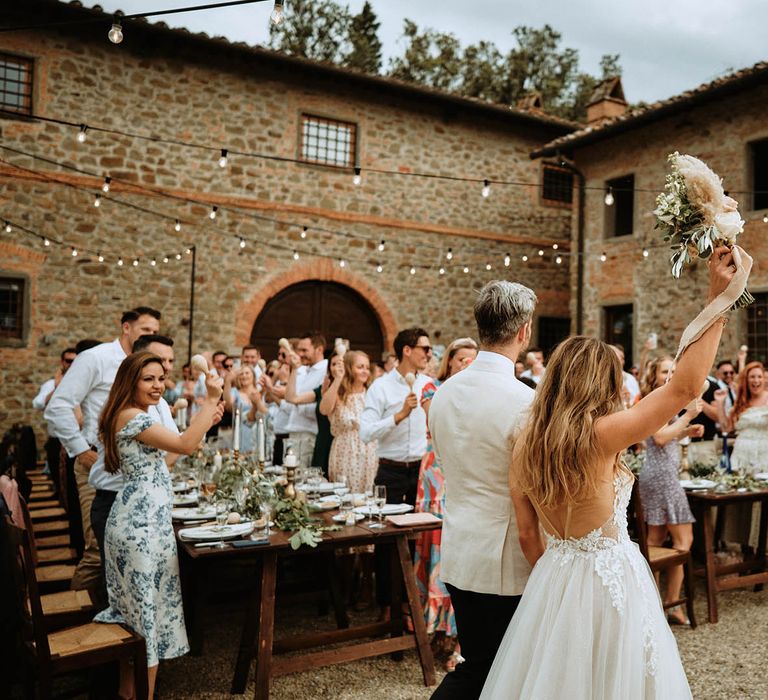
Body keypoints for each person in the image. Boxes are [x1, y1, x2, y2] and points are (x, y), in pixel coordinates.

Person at [479, 246, 737, 699]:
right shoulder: (602, 436)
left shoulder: (524, 443)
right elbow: (686, 387)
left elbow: (526, 536)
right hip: (608, 577)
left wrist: (561, 575)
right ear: (601, 383)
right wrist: (718, 298)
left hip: (552, 576)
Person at [428, 285, 535, 700]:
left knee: (482, 664)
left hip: (460, 549)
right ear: (524, 331)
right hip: (506, 560)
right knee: (492, 671)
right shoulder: (526, 401)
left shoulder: (443, 395)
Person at [95, 351, 222, 699]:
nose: (157, 386)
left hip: (149, 525)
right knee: (144, 621)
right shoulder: (131, 416)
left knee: (139, 620)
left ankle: (129, 694)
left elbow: (169, 457)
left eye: (160, 379)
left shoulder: (136, 416)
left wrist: (205, 419)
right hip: (140, 529)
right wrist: (209, 400)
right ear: (130, 381)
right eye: (148, 379)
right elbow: (183, 442)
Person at [44, 306, 161, 594]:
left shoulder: (145, 367)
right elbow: (57, 406)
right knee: (98, 549)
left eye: (155, 332)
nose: (151, 336)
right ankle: (71, 619)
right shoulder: (95, 358)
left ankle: (117, 615)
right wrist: (80, 450)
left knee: (127, 552)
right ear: (126, 328)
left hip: (134, 473)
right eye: (146, 330)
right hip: (97, 464)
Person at [415, 337, 477, 671]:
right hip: (436, 471)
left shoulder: (478, 392)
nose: (467, 364)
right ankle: (431, 628)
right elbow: (441, 423)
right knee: (435, 545)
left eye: (473, 359)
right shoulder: (432, 389)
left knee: (458, 547)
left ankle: (457, 633)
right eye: (461, 359)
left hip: (463, 469)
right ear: (449, 362)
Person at [360, 327, 431, 613]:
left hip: (420, 473)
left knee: (419, 537)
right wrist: (398, 416)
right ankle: (388, 605)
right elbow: (365, 433)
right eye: (424, 348)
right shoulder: (381, 387)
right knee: (388, 540)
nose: (429, 354)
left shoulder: (429, 384)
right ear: (406, 350)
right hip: (390, 472)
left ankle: (413, 603)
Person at [638, 355, 702, 624]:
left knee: (654, 542)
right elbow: (660, 437)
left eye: (674, 370)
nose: (671, 374)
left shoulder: (661, 399)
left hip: (653, 476)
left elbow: (664, 436)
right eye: (665, 370)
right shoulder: (659, 399)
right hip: (663, 479)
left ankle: (650, 607)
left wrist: (686, 432)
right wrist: (688, 415)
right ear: (654, 375)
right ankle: (672, 605)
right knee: (683, 543)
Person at [715, 361, 768, 547]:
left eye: (759, 376)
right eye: (752, 377)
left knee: (762, 503)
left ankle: (762, 549)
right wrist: (720, 404)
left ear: (764, 379)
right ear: (746, 380)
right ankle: (744, 547)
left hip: (763, 454)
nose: (756, 380)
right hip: (742, 455)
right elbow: (726, 428)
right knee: (741, 503)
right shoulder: (741, 402)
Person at [320, 350, 377, 493]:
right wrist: (338, 379)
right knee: (345, 498)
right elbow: (324, 410)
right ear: (349, 368)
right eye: (360, 367)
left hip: (370, 452)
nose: (365, 371)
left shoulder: (372, 392)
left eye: (367, 367)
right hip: (344, 451)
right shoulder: (338, 393)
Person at [33, 347, 77, 497]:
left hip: (76, 440)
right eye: (69, 360)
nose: (72, 364)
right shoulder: (51, 384)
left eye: (75, 361)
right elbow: (38, 404)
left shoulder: (82, 383)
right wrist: (58, 388)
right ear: (62, 362)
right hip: (56, 441)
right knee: (58, 482)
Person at [284, 332, 328, 468]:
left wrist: (300, 405)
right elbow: (290, 397)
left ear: (319, 349)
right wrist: (294, 369)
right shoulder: (304, 370)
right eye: (299, 350)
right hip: (294, 432)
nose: (300, 354)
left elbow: (322, 406)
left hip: (309, 435)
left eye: (304, 350)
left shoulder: (325, 371)